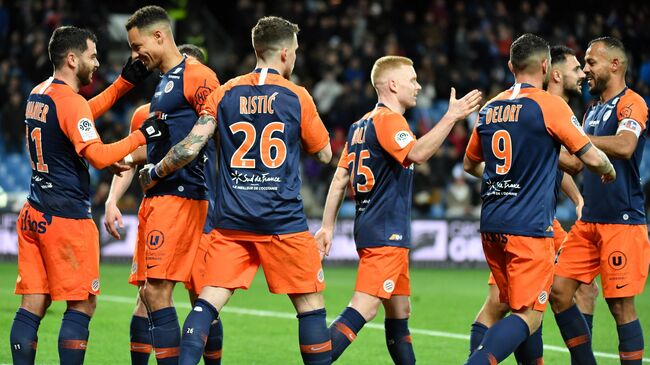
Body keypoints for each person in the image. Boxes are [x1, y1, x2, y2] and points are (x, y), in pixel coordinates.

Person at [139, 16, 333, 365]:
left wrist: (154, 172)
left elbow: (188, 147)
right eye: (297, 51)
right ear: (286, 54)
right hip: (283, 221)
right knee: (311, 306)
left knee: (207, 302)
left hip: (232, 223)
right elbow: (324, 153)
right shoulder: (297, 96)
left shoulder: (224, 92)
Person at [9, 25, 165, 365]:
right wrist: (142, 136)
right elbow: (97, 156)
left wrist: (123, 85)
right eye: (92, 56)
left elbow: (78, 116)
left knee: (32, 304)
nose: (96, 63)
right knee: (83, 304)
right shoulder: (70, 102)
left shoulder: (40, 93)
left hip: (34, 212)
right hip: (66, 219)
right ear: (71, 58)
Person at [314, 55, 482, 364]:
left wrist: (327, 226)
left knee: (400, 310)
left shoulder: (360, 125)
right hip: (384, 232)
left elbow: (340, 178)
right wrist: (451, 117)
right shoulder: (389, 121)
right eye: (412, 80)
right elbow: (416, 153)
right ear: (393, 84)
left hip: (376, 228)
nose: (418, 86)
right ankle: (317, 359)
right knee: (365, 306)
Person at [462, 33, 616, 365]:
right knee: (530, 315)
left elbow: (470, 164)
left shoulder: (490, 108)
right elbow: (588, 158)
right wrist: (608, 168)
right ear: (546, 67)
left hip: (492, 226)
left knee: (515, 306)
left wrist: (508, 176)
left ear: (510, 66)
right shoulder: (550, 105)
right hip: (529, 228)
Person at [102, 44, 223, 365]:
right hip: (157, 208)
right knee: (146, 295)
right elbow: (134, 158)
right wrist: (112, 200)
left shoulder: (210, 107)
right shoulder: (146, 114)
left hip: (199, 207)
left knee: (202, 299)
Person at [550, 36, 649, 365]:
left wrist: (575, 138)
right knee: (559, 293)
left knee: (620, 306)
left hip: (622, 223)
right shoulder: (591, 110)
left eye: (591, 63)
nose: (585, 70)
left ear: (615, 65)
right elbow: (577, 163)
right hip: (588, 223)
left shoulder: (632, 102)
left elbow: (624, 146)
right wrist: (545, 148)